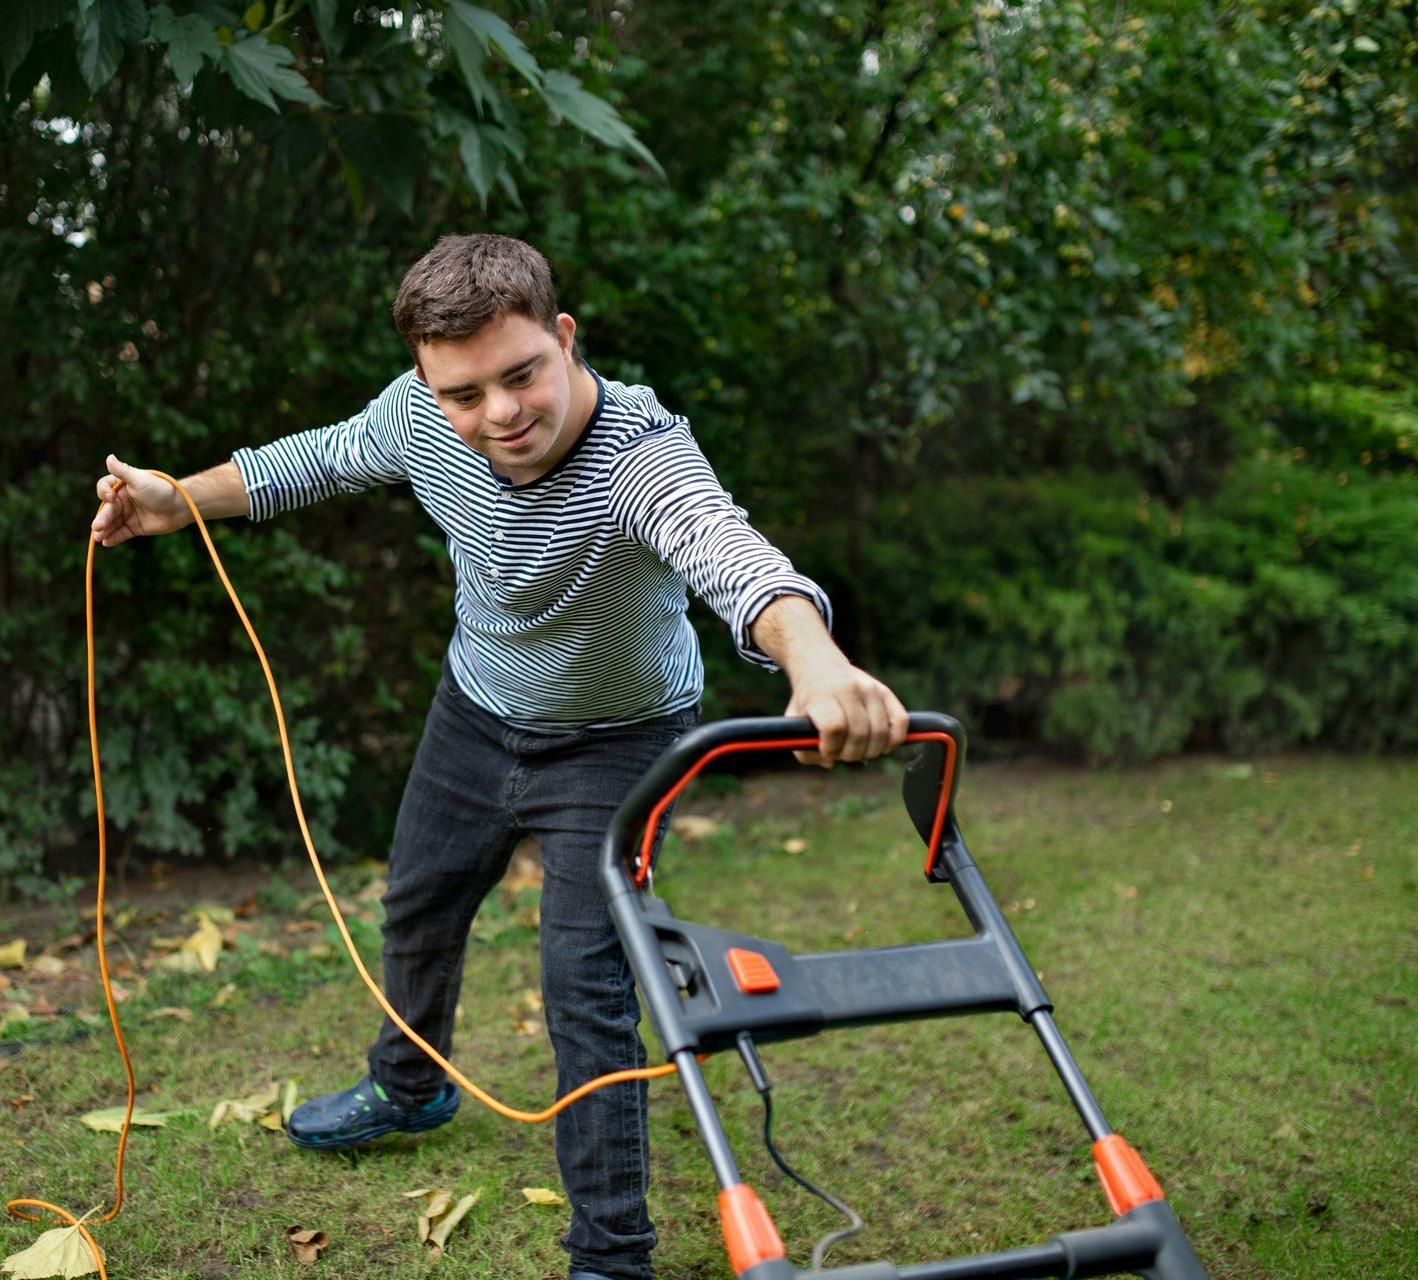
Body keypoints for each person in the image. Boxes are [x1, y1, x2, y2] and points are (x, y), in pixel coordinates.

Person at [90, 234, 907, 1280]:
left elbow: (728, 550)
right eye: (465, 393)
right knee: (419, 904)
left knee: (587, 986)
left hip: (622, 744)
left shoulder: (640, 452)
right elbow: (313, 458)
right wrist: (173, 501)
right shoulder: (422, 416)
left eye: (522, 375)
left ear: (563, 339)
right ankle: (410, 1082)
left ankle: (611, 1251)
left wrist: (819, 660)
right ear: (432, 385)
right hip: (475, 711)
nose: (502, 412)